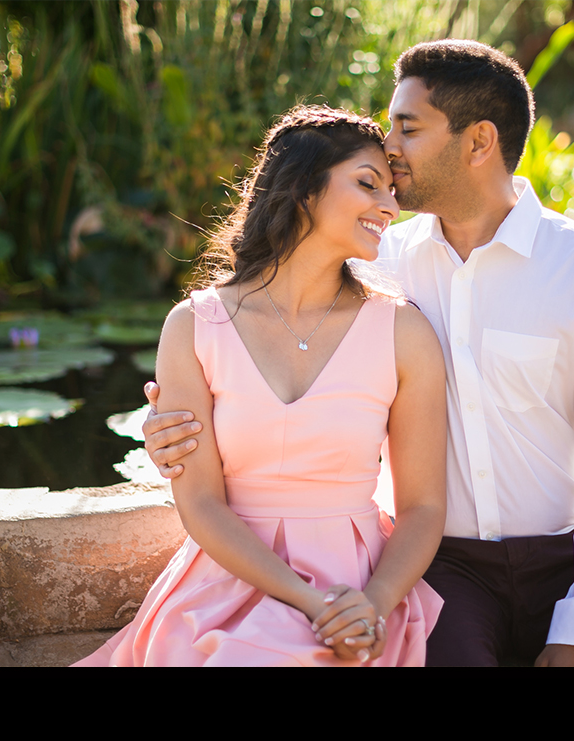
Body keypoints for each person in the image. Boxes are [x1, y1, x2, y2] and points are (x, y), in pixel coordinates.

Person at [142, 40, 574, 667]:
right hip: (445, 570)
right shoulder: (379, 261)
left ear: (479, 142)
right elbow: (260, 326)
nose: (389, 144)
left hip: (572, 556)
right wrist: (170, 423)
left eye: (408, 126)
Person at [74, 105, 446, 667]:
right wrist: (307, 601)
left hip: (362, 587)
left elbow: (422, 507)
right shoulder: (194, 325)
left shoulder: (403, 330)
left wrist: (369, 604)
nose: (390, 206)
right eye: (369, 184)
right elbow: (199, 500)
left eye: (392, 190)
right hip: (226, 581)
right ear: (302, 188)